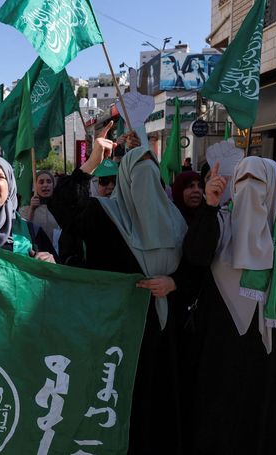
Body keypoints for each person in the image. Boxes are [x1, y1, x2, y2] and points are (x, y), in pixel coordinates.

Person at [50, 121, 191, 454]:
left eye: (150, 176)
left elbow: (197, 270)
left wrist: (174, 283)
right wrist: (91, 164)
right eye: (135, 174)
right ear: (124, 179)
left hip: (167, 333)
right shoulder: (104, 214)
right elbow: (62, 206)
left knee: (163, 407)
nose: (144, 183)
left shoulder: (177, 219)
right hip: (120, 334)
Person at [184, 157, 276, 454]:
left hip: (273, 346)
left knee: (266, 415)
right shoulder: (219, 224)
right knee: (220, 411)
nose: (250, 190)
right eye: (242, 181)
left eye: (259, 182)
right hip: (221, 344)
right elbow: (195, 256)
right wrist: (209, 205)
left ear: (274, 188)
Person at [19, 171, 61, 253]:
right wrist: (32, 209)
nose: (45, 185)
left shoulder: (61, 207)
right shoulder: (25, 208)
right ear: (35, 186)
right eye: (41, 182)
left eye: (49, 181)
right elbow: (22, 231)